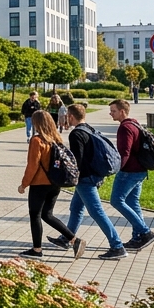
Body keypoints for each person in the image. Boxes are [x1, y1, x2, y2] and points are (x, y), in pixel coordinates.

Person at [58, 104, 126, 259]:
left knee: (97, 212)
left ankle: (117, 246)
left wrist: (68, 175)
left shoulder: (76, 134)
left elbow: (77, 161)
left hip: (85, 180)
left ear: (70, 116)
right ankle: (67, 238)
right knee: (76, 208)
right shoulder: (89, 129)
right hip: (93, 176)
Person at [18, 110, 84, 258]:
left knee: (35, 215)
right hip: (55, 183)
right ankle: (74, 239)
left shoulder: (37, 141)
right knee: (47, 214)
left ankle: (36, 250)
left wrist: (24, 184)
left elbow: (32, 166)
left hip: (40, 183)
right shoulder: (56, 138)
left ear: (37, 123)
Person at [109, 100, 154, 251]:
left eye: (113, 111)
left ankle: (145, 232)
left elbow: (124, 153)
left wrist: (116, 169)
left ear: (122, 111)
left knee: (116, 200)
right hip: (140, 170)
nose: (110, 113)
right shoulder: (135, 124)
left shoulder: (125, 128)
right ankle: (138, 238)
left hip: (129, 171)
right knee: (133, 203)